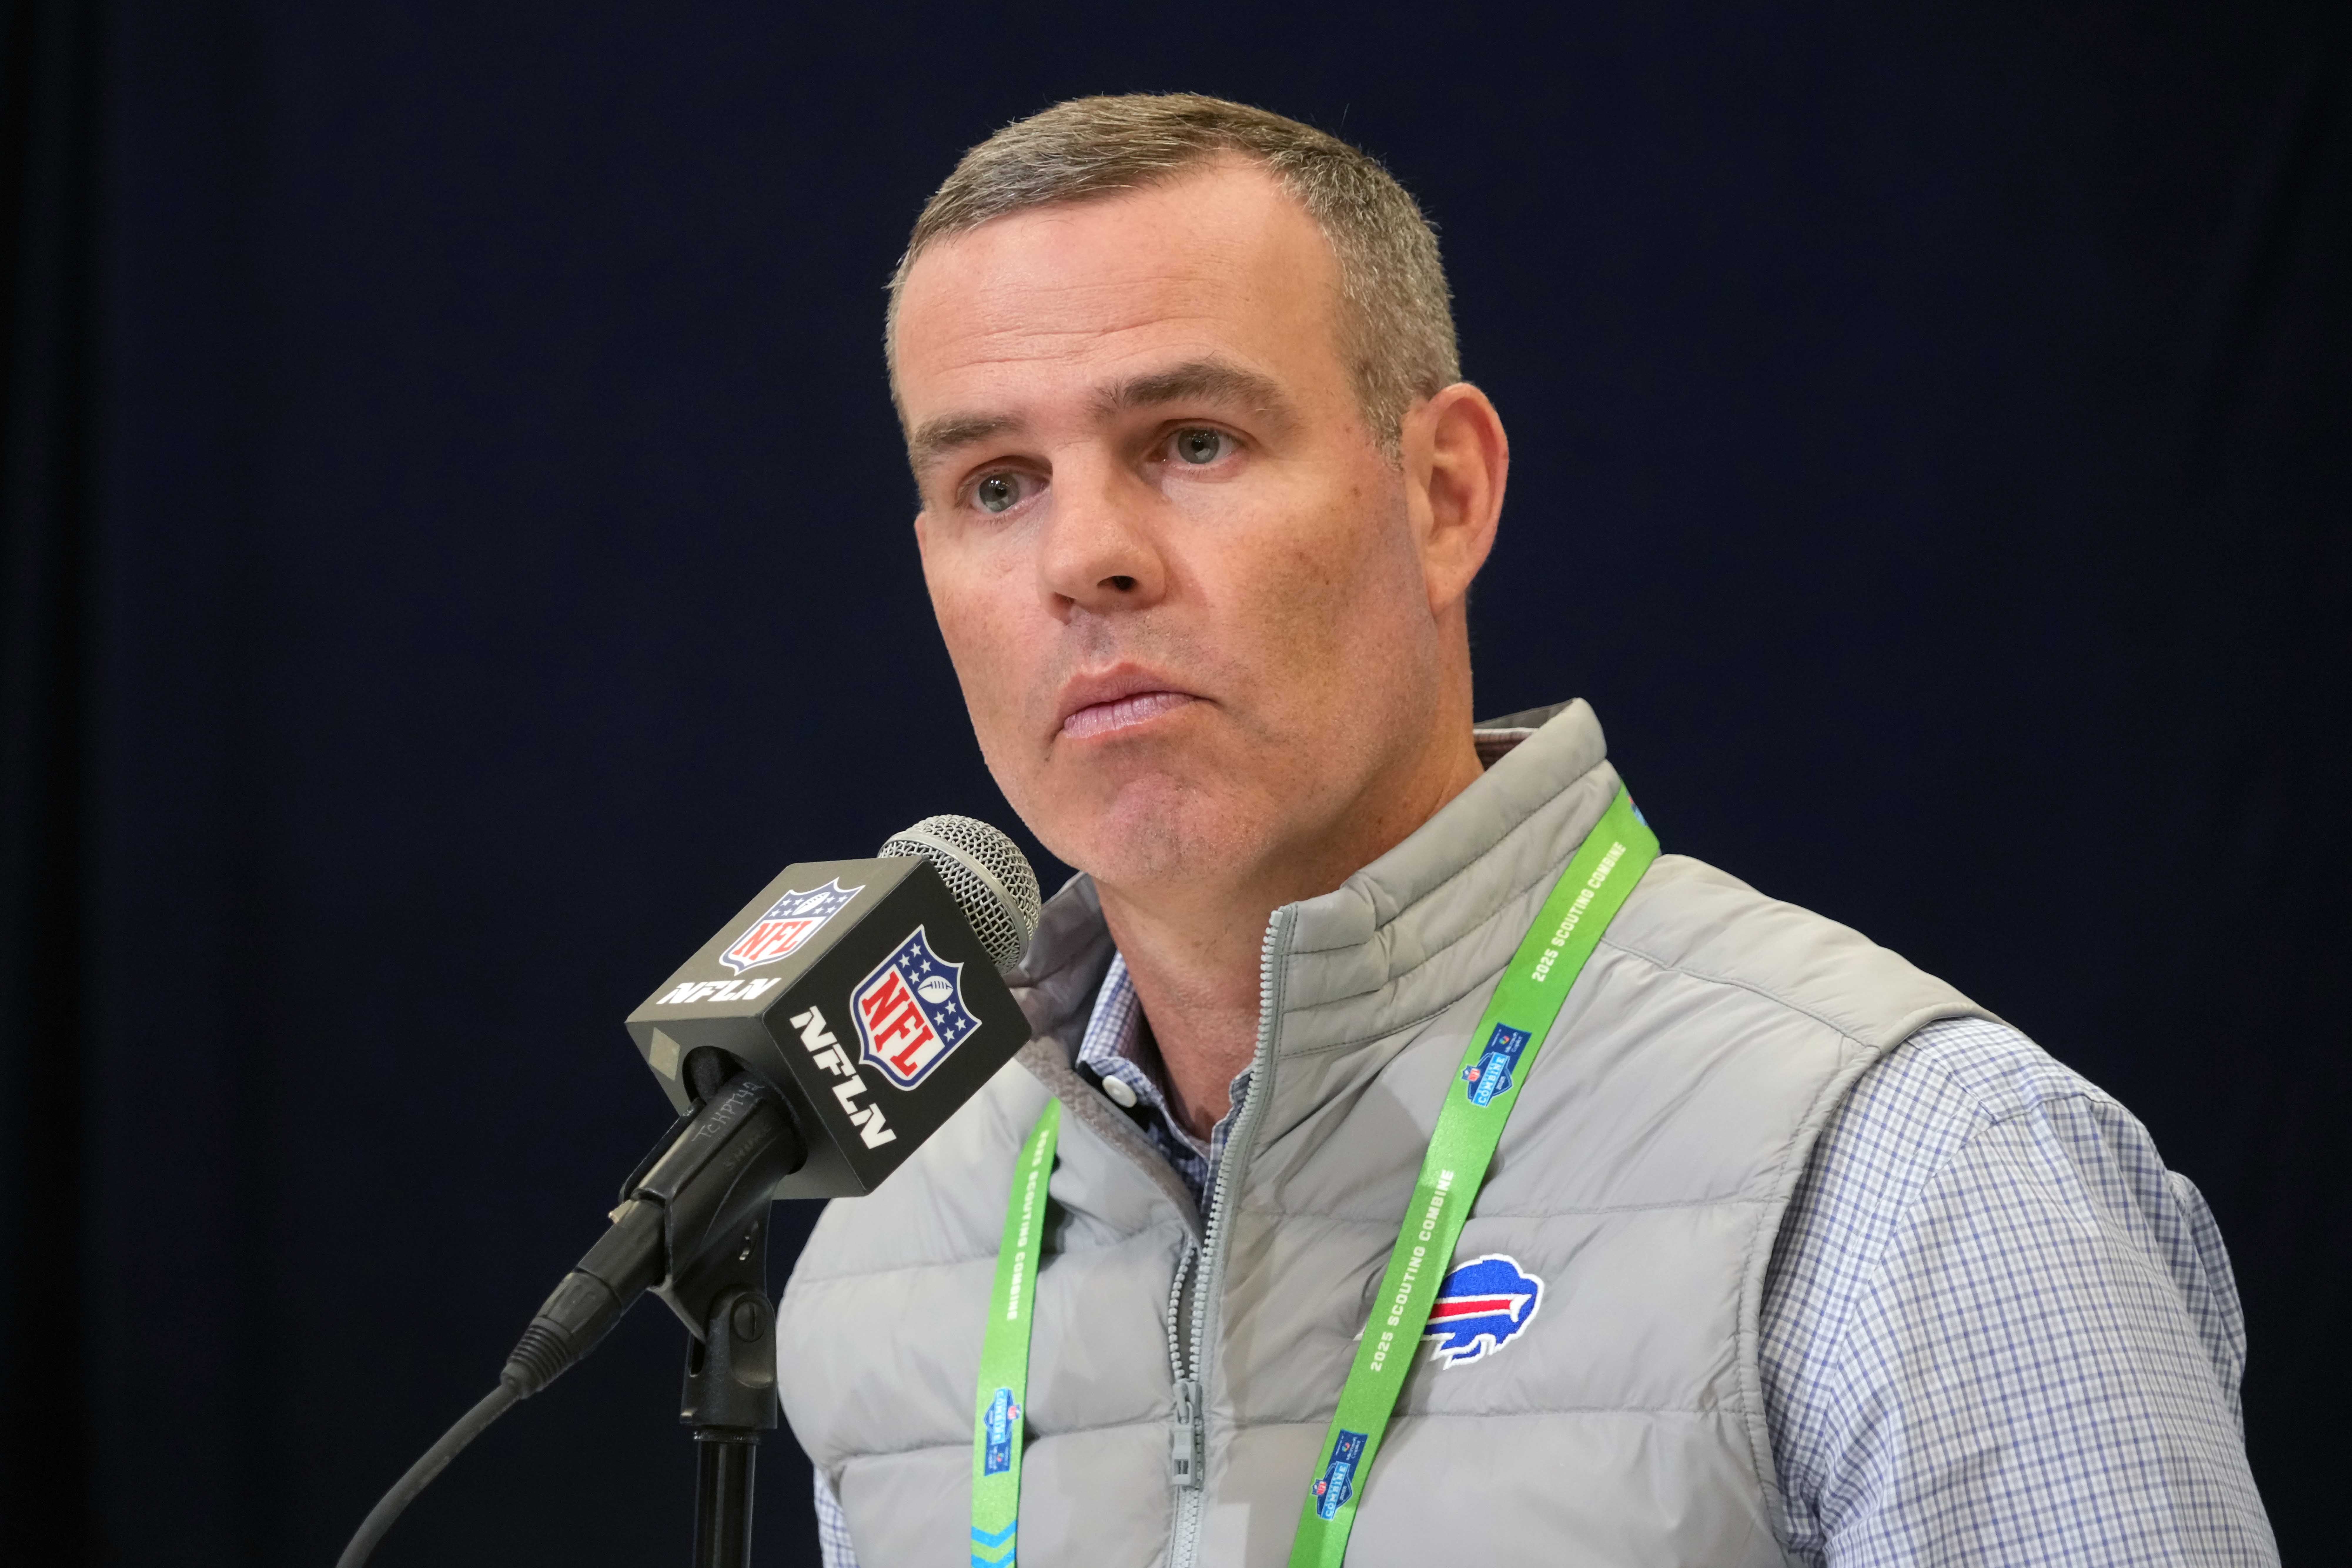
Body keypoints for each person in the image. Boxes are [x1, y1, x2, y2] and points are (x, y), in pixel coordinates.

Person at [774, 94, 2275, 1567]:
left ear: (1444, 494)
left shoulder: (1922, 1170)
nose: (1086, 556)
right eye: (996, 485)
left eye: (1193, 441)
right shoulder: (894, 1239)